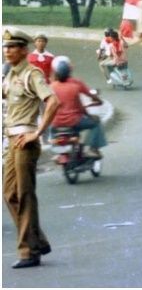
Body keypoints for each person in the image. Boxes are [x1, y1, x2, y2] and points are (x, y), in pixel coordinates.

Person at [2, 29, 59, 269]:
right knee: (9, 193)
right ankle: (38, 240)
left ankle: (28, 252)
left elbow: (53, 101)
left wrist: (37, 132)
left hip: (25, 141)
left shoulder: (31, 74)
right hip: (11, 141)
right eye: (5, 48)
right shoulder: (8, 76)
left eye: (12, 47)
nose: (7, 51)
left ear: (24, 50)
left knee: (24, 194)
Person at [50, 55, 107, 156]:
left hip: (56, 123)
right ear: (69, 70)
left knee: (52, 132)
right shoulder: (75, 85)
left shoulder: (51, 87)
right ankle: (93, 148)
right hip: (74, 121)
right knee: (96, 122)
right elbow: (81, 105)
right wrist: (89, 113)